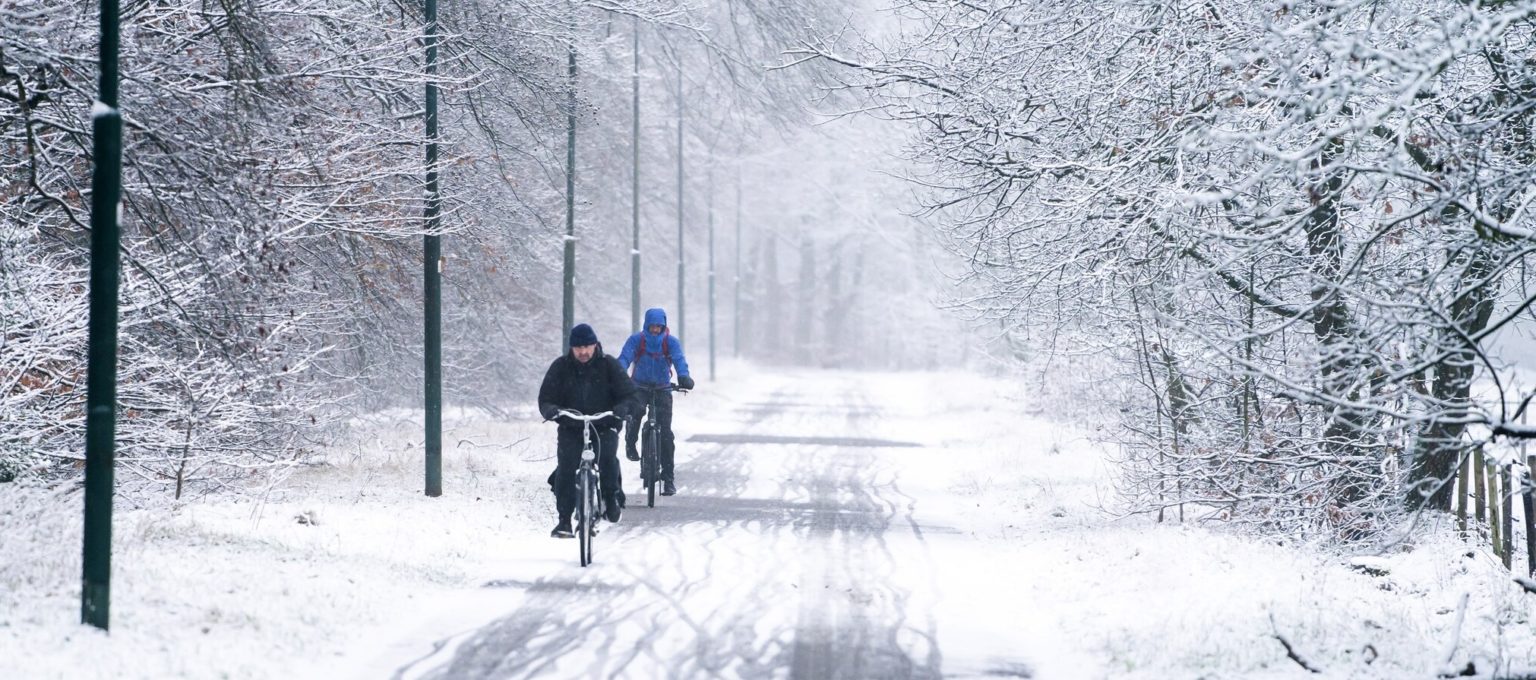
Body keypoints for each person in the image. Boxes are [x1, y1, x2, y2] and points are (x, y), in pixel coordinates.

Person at [538, 323, 638, 538]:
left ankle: (611, 498)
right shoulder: (561, 367)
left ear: (595, 345)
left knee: (607, 459)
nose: (583, 352)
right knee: (565, 468)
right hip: (571, 426)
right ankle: (564, 520)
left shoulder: (609, 365)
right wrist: (551, 410)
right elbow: (545, 398)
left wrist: (622, 409)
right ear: (571, 348)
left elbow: (629, 395)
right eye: (578, 347)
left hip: (604, 424)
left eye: (587, 346)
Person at [617, 308, 694, 496]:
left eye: (658, 327)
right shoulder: (636, 340)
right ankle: (630, 441)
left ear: (663, 326)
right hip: (639, 386)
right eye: (651, 326)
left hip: (662, 388)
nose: (654, 330)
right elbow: (625, 357)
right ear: (646, 325)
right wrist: (618, 374)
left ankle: (668, 479)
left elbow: (679, 360)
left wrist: (684, 376)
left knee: (666, 434)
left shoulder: (671, 342)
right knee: (636, 412)